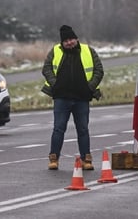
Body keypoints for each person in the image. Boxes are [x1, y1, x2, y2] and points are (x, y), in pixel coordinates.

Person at [41, 25, 104, 170]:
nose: (69, 42)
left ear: (76, 39)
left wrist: (90, 87)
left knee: (83, 129)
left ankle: (86, 159)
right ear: (62, 43)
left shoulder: (88, 51)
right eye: (66, 41)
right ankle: (53, 158)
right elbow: (46, 68)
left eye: (71, 39)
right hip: (61, 98)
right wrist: (55, 84)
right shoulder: (55, 51)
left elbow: (99, 70)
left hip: (82, 98)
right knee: (58, 129)